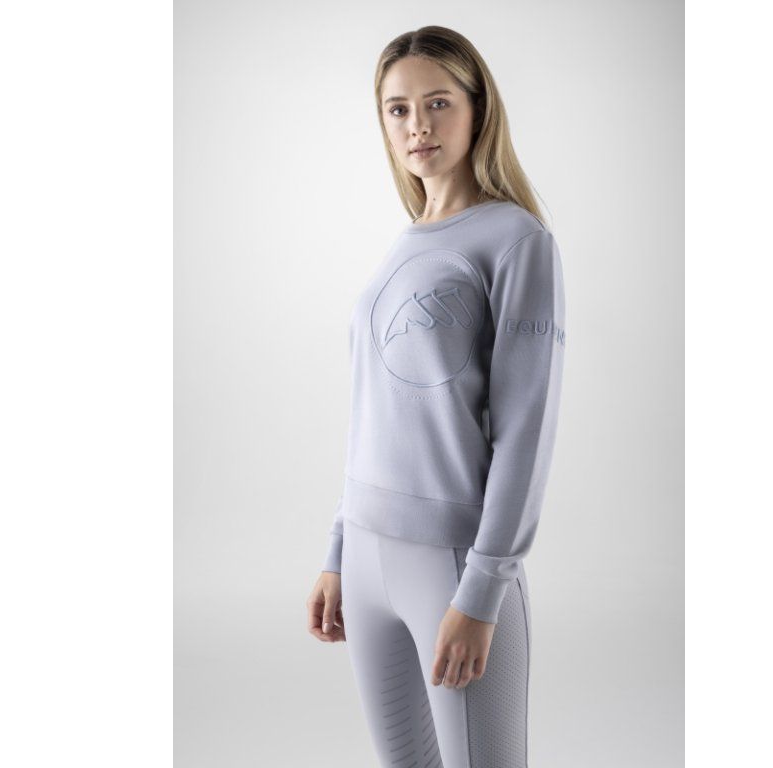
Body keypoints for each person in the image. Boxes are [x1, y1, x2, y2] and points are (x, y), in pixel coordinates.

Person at [305, 25, 567, 768]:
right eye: (398, 109)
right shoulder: (406, 242)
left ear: (478, 109)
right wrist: (337, 550)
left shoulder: (516, 240)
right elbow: (373, 414)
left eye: (438, 103)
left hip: (451, 564)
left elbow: (526, 431)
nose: (417, 125)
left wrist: (482, 590)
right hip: (366, 558)